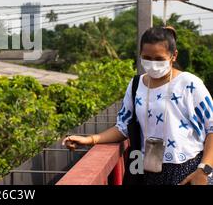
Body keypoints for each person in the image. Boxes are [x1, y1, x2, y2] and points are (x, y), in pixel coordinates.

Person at [63, 26, 213, 185]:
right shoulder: (136, 85)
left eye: (159, 59)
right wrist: (90, 139)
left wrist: (204, 170)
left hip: (187, 169)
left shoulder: (189, 84)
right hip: (147, 170)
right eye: (147, 58)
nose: (153, 64)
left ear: (173, 56)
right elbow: (123, 126)